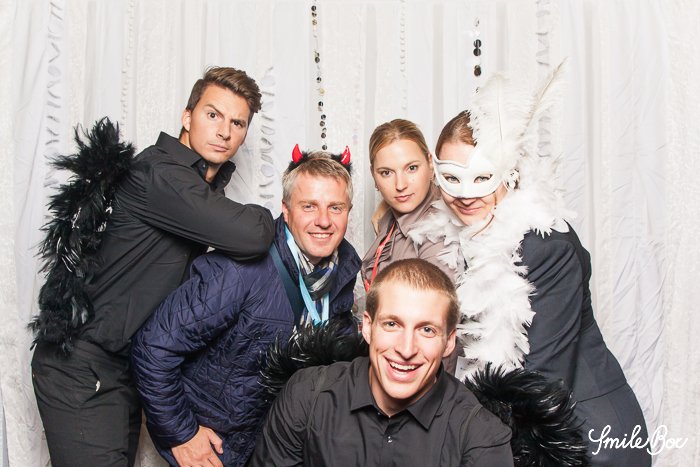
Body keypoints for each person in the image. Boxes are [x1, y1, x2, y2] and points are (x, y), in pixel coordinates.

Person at [30, 66, 275, 467]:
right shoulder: (162, 174)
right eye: (213, 115)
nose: (224, 131)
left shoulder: (195, 186)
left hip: (119, 369)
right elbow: (253, 236)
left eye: (238, 123)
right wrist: (271, 215)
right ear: (187, 117)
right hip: (83, 364)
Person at [411, 66, 651, 465]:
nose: (466, 194)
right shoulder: (461, 239)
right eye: (452, 178)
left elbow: (539, 375)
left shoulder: (546, 247)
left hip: (588, 437)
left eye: (482, 178)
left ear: (510, 171)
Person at [131, 150, 361, 467]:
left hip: (278, 446)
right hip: (215, 449)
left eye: (335, 207)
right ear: (286, 210)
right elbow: (153, 346)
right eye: (309, 206)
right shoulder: (239, 270)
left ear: (348, 212)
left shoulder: (345, 269)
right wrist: (182, 435)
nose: (323, 220)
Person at [249, 258, 513, 467]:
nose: (406, 349)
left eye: (427, 330)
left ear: (449, 342)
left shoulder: (481, 436)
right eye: (392, 324)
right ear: (367, 327)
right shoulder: (307, 396)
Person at [361, 119, 455, 291]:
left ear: (431, 164)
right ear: (373, 175)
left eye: (411, 168)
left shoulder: (438, 238)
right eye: (386, 173)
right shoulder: (389, 216)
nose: (400, 185)